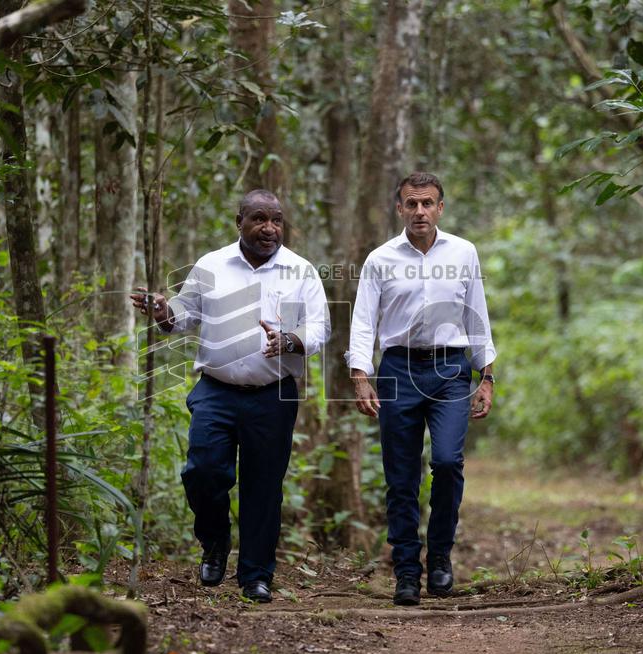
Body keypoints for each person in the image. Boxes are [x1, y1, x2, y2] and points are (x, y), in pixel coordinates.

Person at [131, 189, 330, 603]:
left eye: (276, 220)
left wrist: (289, 340)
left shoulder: (301, 270)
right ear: (239, 221)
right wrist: (162, 310)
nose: (269, 228)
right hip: (215, 391)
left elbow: (319, 329)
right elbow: (182, 317)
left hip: (273, 396)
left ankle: (255, 575)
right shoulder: (210, 265)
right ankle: (215, 541)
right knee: (202, 472)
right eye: (259, 219)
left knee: (263, 487)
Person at [346, 172, 496, 606]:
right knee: (401, 475)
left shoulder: (464, 253)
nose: (419, 211)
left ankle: (442, 558)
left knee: (448, 462)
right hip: (397, 369)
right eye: (411, 204)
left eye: (427, 203)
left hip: (451, 370)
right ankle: (407, 571)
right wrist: (360, 375)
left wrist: (486, 376)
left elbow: (477, 315)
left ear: (440, 208)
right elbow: (362, 321)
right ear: (399, 209)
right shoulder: (380, 259)